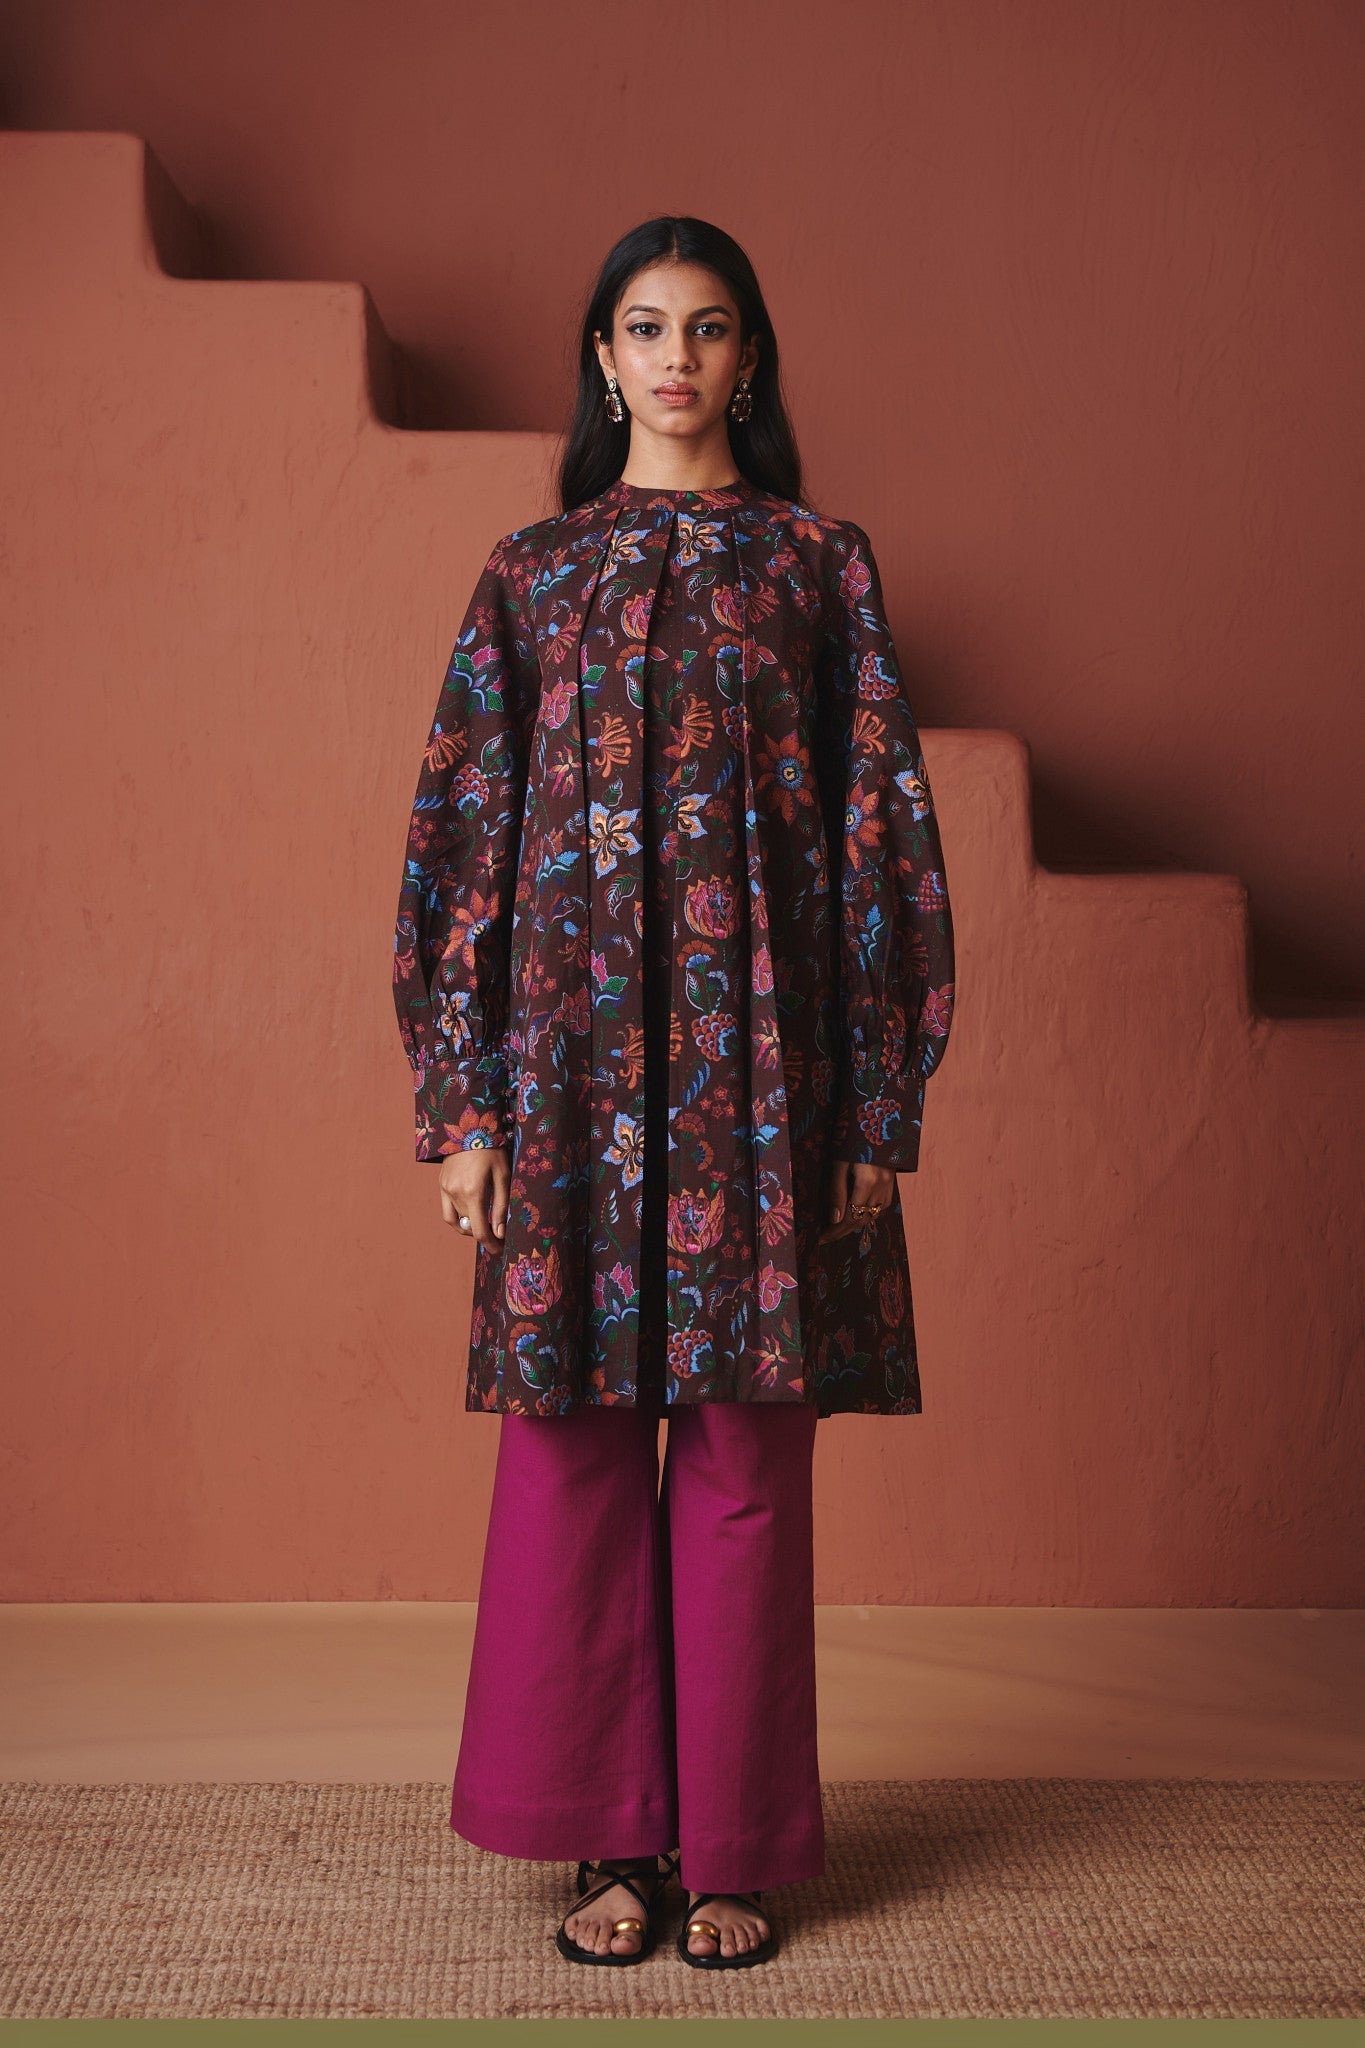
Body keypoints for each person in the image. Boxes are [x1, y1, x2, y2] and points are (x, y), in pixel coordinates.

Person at [391, 216, 955, 1970]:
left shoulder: (816, 567)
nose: (676, 358)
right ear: (604, 358)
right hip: (563, 1084)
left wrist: (877, 1107)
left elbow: (883, 838)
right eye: (644, 328)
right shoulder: (532, 574)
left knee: (742, 1461)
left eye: (708, 328)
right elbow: (463, 838)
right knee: (568, 1456)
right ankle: (607, 1842)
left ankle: (733, 1851)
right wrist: (462, 1104)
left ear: (749, 358)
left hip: (761, 1087)